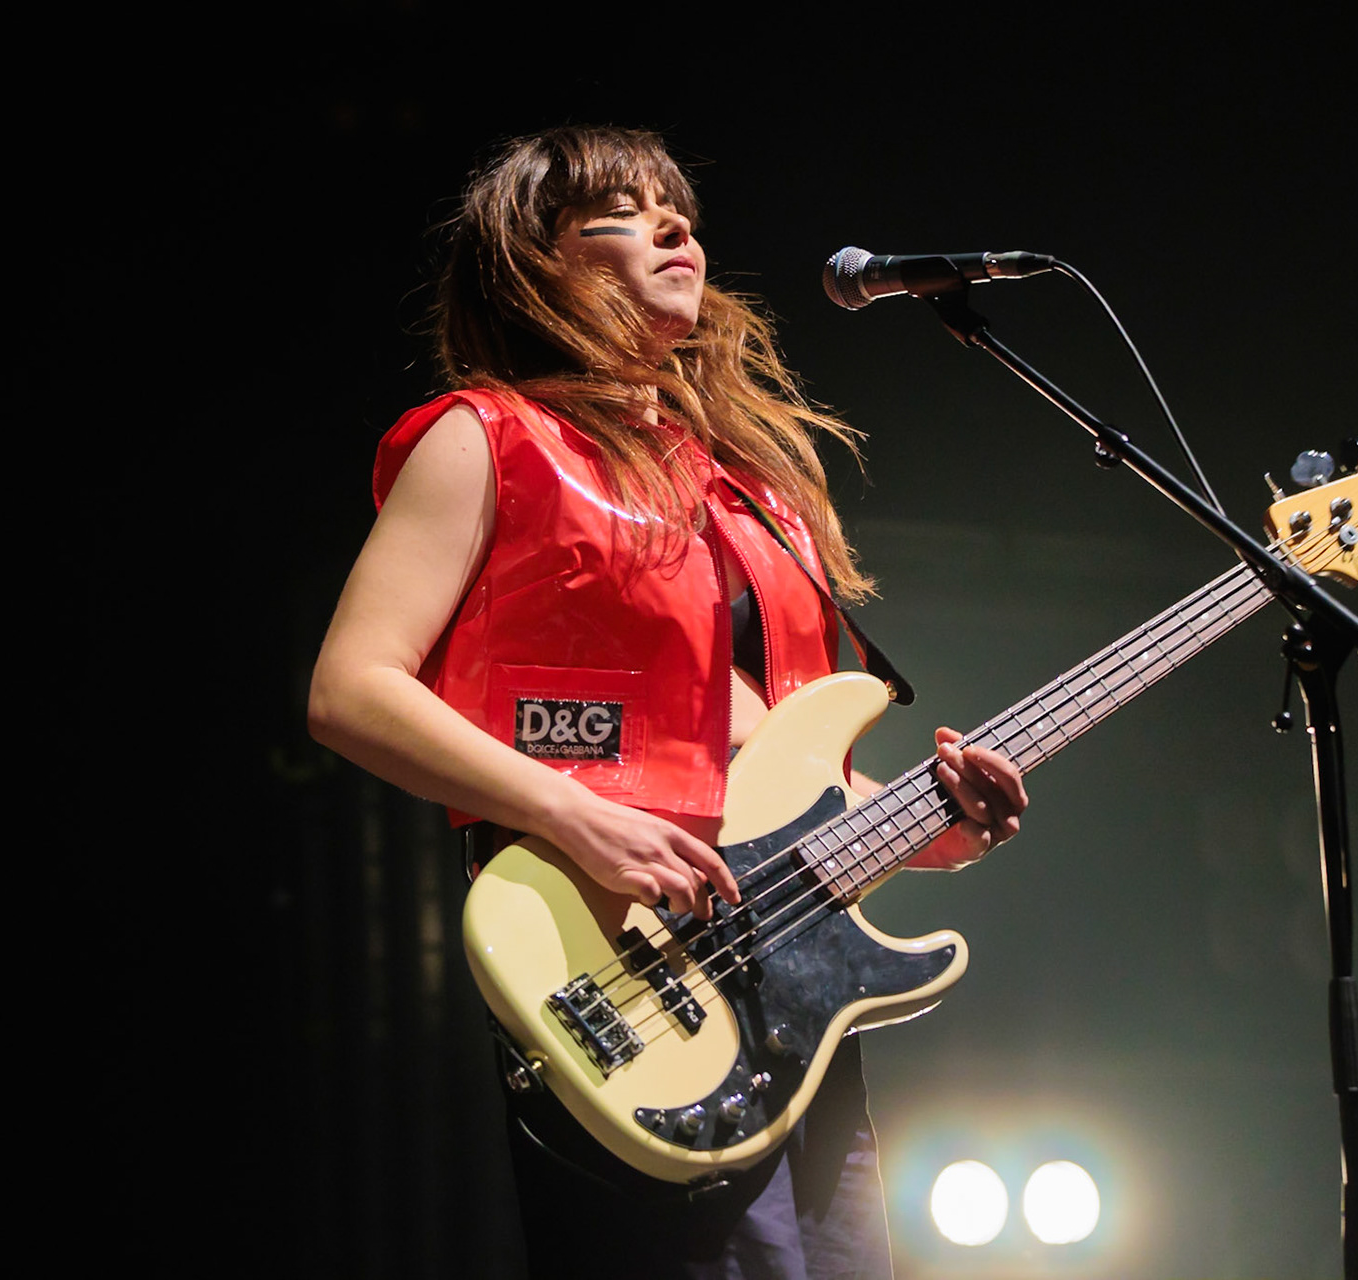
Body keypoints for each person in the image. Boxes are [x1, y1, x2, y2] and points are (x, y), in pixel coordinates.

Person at [308, 125, 1028, 1279]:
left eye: (677, 208)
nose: (675, 225)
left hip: (787, 976)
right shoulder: (489, 437)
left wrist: (935, 823)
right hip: (621, 961)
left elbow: (780, 761)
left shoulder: (754, 490)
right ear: (534, 264)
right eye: (621, 213)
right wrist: (569, 809)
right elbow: (351, 689)